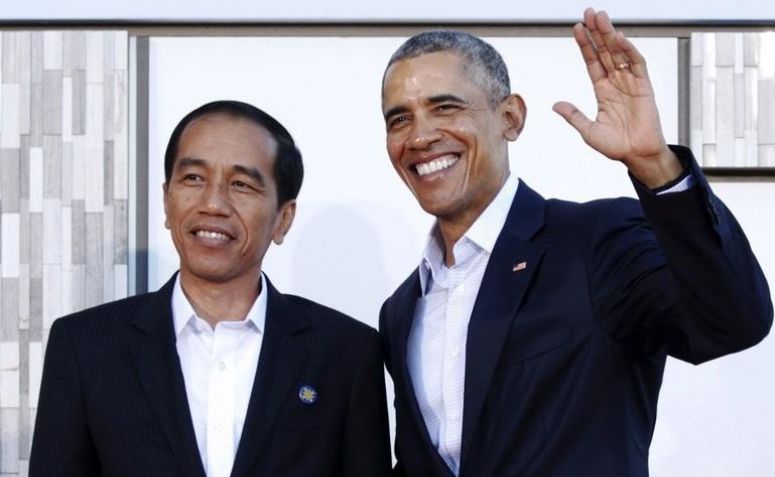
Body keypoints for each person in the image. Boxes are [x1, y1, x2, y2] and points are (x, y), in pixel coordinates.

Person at [378, 8, 772, 477]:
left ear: (510, 118)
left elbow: (733, 321)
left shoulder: (596, 241)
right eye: (399, 119)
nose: (420, 136)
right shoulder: (401, 309)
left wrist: (656, 166)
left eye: (445, 108)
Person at [30, 100, 391, 477]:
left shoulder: (345, 353)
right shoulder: (85, 347)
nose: (214, 204)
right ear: (167, 200)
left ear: (283, 219)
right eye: (193, 178)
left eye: (241, 184)